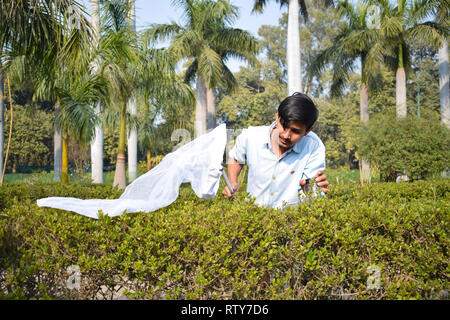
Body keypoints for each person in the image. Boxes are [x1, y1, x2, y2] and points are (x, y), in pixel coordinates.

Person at [222, 92, 329, 208]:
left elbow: (311, 189)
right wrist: (232, 181)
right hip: (252, 216)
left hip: (291, 221)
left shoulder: (314, 147)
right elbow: (236, 159)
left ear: (307, 131)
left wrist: (312, 191)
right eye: (284, 126)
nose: (286, 135)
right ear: (277, 116)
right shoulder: (251, 136)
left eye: (296, 131)